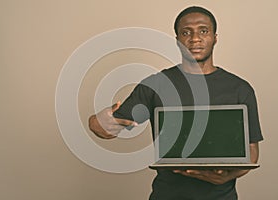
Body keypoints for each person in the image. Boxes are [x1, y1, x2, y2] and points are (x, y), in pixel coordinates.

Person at [89, 6, 263, 200]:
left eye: (203, 31)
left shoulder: (239, 89)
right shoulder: (156, 85)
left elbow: (252, 152)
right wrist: (97, 122)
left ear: (215, 37)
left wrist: (226, 177)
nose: (195, 38)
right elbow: (104, 128)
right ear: (178, 41)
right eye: (186, 32)